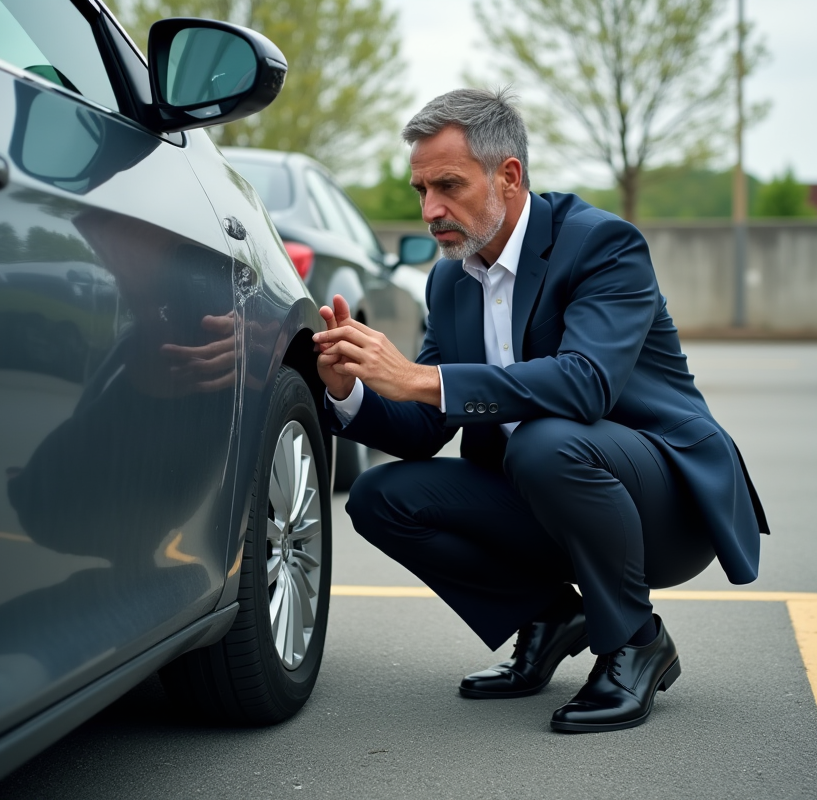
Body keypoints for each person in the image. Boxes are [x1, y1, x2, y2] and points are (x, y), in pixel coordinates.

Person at [312, 88, 768, 733]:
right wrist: (348, 389)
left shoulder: (602, 245)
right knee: (380, 496)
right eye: (420, 190)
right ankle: (550, 616)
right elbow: (421, 431)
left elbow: (586, 385)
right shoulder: (450, 277)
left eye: (448, 184)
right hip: (544, 493)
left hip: (662, 503)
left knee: (546, 443)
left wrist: (419, 377)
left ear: (509, 175)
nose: (431, 209)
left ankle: (637, 642)